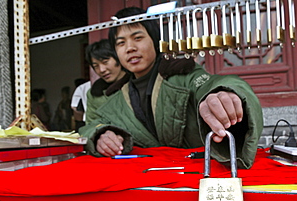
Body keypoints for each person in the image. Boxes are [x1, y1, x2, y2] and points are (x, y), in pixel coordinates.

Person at [79, 7, 263, 169]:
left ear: (155, 41)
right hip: (148, 185)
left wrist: (223, 94)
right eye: (121, 43)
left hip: (200, 175)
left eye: (138, 38)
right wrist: (101, 134)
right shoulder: (114, 98)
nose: (130, 48)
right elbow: (91, 126)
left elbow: (210, 84)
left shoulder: (183, 74)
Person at [84, 39, 130, 124]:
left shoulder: (136, 82)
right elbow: (91, 125)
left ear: (118, 58)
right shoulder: (94, 94)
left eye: (105, 62)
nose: (101, 70)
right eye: (96, 66)